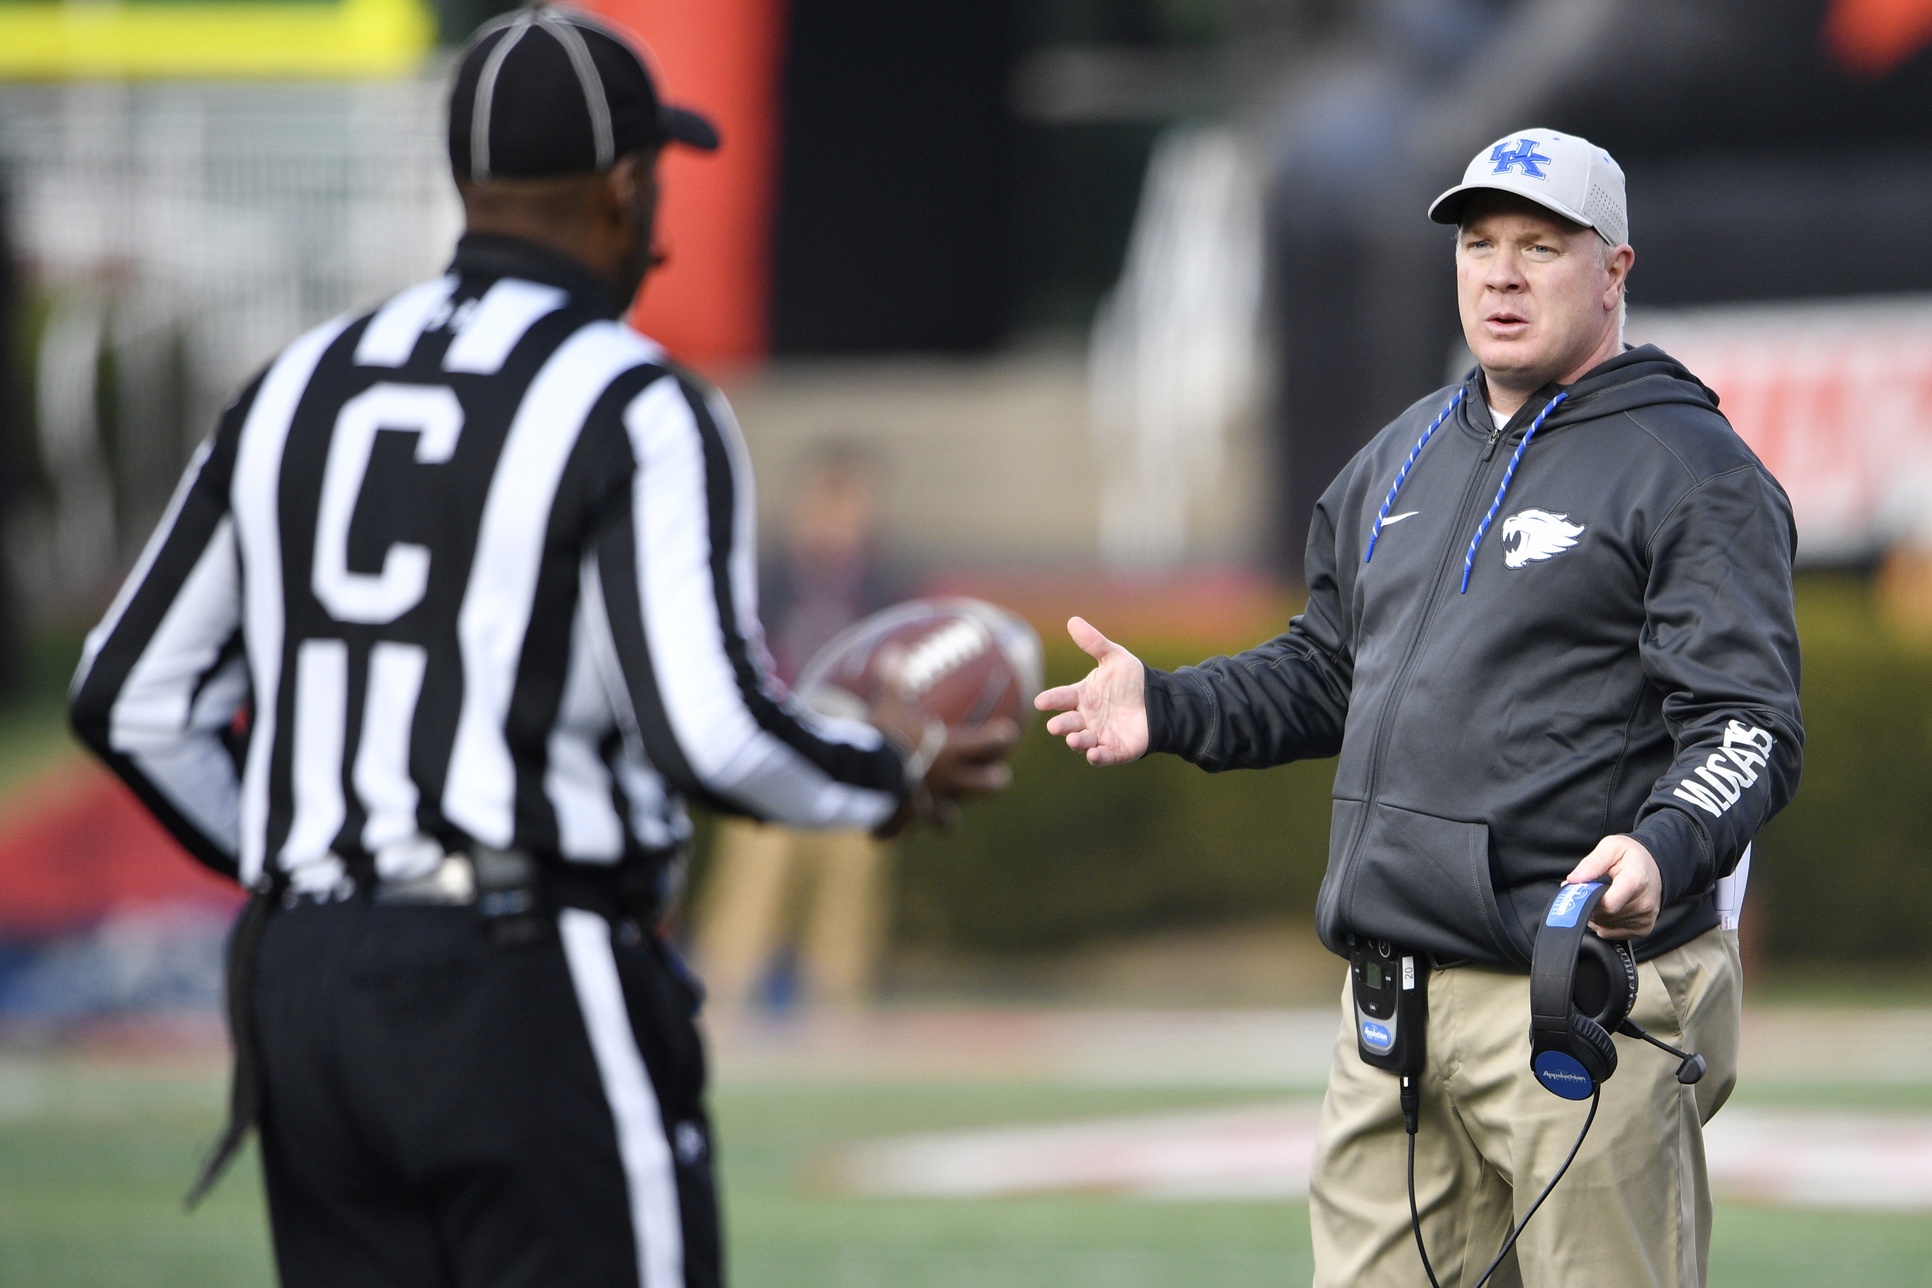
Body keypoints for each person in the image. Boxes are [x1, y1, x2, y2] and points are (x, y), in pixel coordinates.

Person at [67, 8, 1014, 1287]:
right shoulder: (634, 397)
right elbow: (711, 727)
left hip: (303, 993)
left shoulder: (295, 380)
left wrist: (328, 863)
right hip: (516, 977)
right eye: (658, 190)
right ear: (626, 189)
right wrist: (886, 765)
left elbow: (131, 699)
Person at [1040, 129, 1801, 1286]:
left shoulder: (1691, 467)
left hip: (1577, 1002)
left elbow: (1751, 722)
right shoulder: (1403, 453)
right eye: (1479, 243)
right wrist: (1170, 703)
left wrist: (1663, 844)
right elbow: (1325, 671)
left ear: (1616, 269)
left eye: (1540, 246)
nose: (1500, 273)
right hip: (1391, 1012)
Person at [696, 445, 903, 1012]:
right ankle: (726, 994)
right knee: (757, 867)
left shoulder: (884, 584)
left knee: (850, 875)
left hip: (853, 739)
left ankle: (837, 1003)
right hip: (779, 733)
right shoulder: (768, 577)